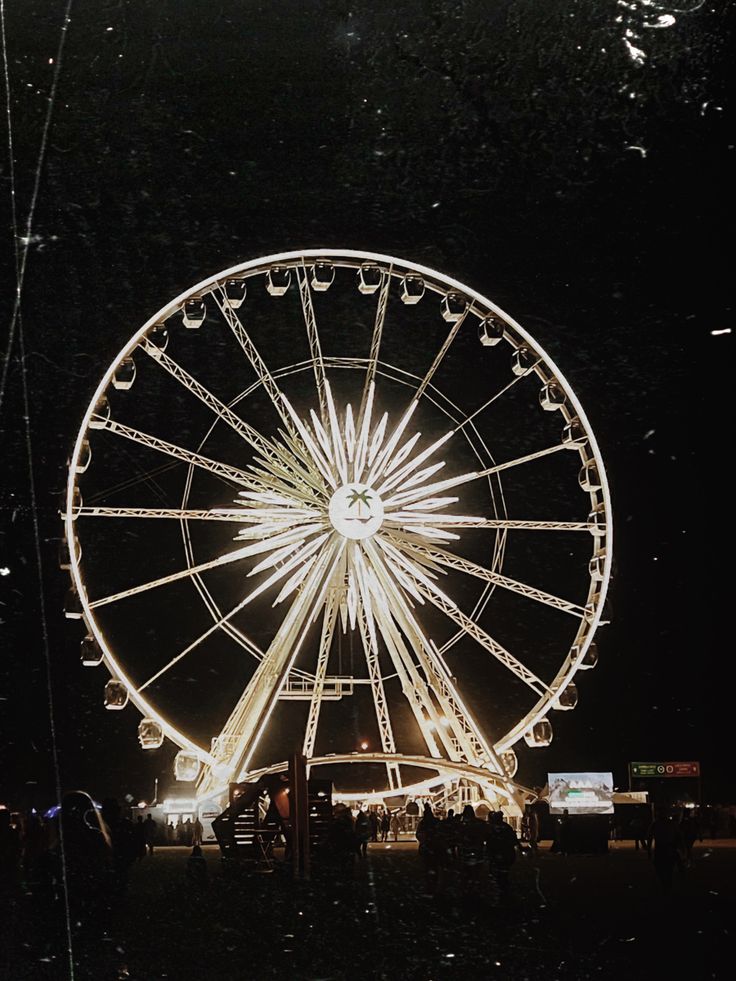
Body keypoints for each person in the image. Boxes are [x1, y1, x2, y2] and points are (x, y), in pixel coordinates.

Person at [647, 810, 684, 893]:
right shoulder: (670, 824)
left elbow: (649, 837)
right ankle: (667, 883)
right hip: (668, 848)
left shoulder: (656, 824)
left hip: (662, 849)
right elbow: (679, 837)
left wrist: (649, 850)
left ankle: (666, 883)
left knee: (661, 867)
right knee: (667, 868)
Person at [486, 811, 520, 901]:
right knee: (503, 873)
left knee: (497, 873)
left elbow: (488, 841)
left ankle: (500, 891)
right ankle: (504, 889)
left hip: (498, 854)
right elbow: (514, 840)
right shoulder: (507, 827)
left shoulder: (492, 828)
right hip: (506, 854)